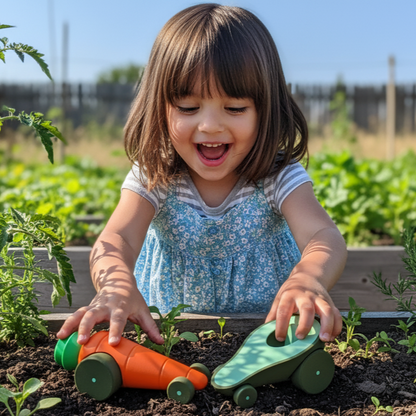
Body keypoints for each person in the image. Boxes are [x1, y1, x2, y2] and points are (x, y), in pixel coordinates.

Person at [57, 3, 347, 347]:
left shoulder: (276, 174)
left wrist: (308, 278)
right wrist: (116, 284)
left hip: (269, 340)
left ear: (265, 109)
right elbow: (118, 239)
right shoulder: (157, 172)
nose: (209, 125)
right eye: (188, 108)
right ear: (160, 107)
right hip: (168, 339)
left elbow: (323, 235)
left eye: (235, 108)